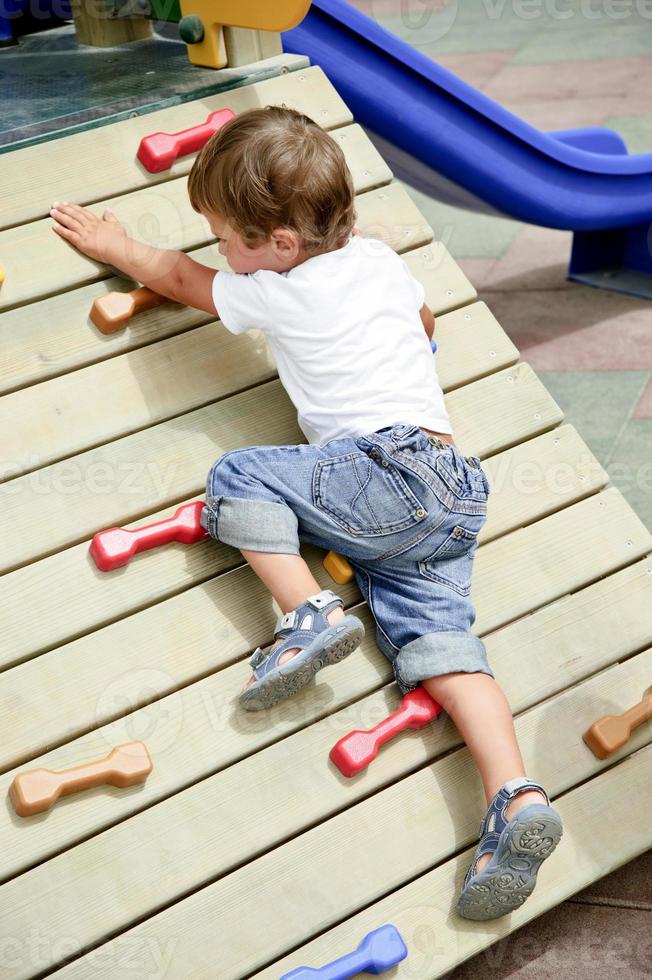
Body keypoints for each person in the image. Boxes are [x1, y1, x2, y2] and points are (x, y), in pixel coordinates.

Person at [50, 104, 562, 920]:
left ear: (278, 247)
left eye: (224, 236)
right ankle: (516, 796)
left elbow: (182, 283)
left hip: (379, 471)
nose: (219, 251)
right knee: (444, 647)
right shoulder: (383, 263)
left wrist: (117, 247)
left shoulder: (279, 289)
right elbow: (425, 325)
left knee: (239, 475)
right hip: (454, 488)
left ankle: (306, 615)